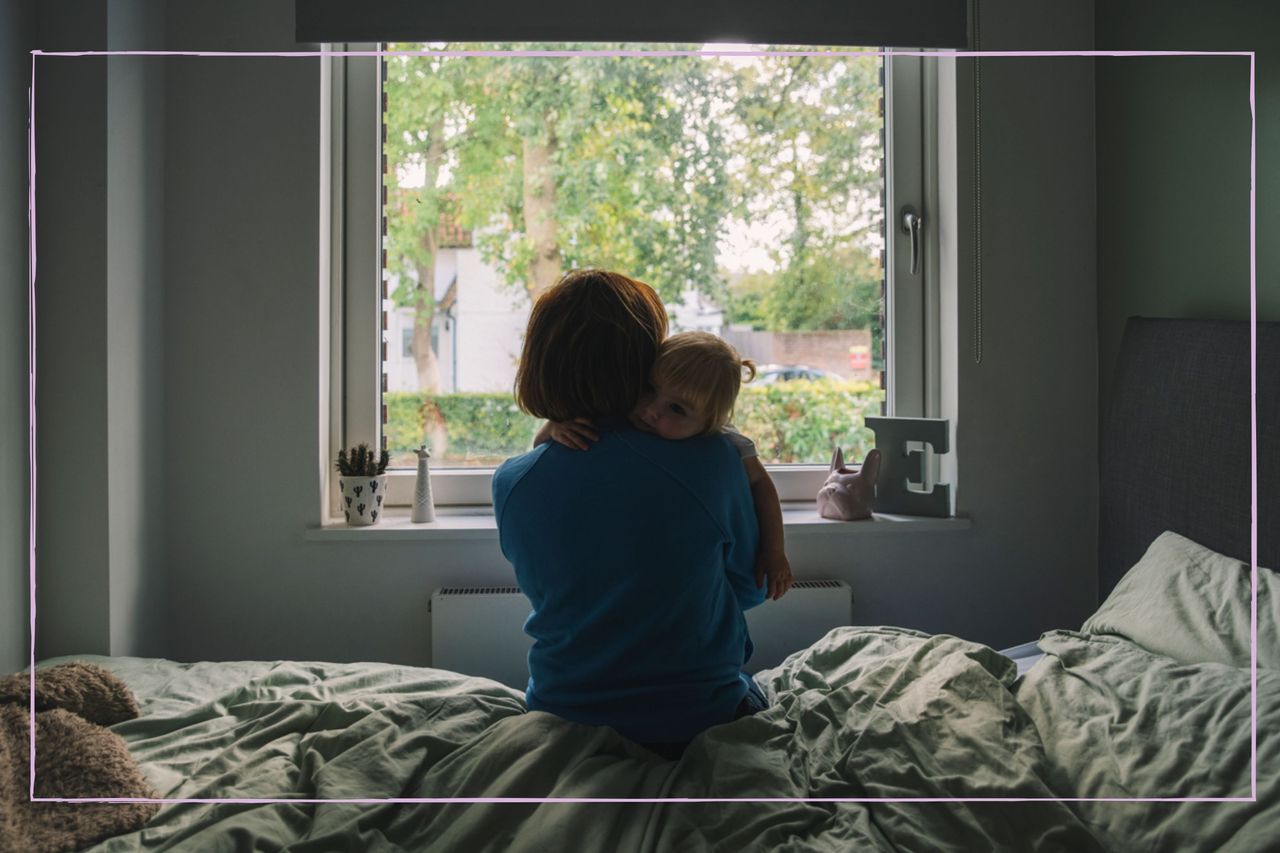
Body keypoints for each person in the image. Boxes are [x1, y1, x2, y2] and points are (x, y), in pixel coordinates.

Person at [492, 269, 771, 760]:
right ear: (647, 362)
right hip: (697, 719)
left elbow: (565, 597)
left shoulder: (512, 482)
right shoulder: (714, 462)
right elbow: (752, 587)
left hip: (563, 715)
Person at [535, 331, 794, 602]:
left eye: (676, 409)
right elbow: (539, 452)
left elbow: (761, 485)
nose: (653, 410)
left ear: (709, 422)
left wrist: (774, 552)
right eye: (649, 388)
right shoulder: (616, 416)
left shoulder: (729, 443)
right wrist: (555, 427)